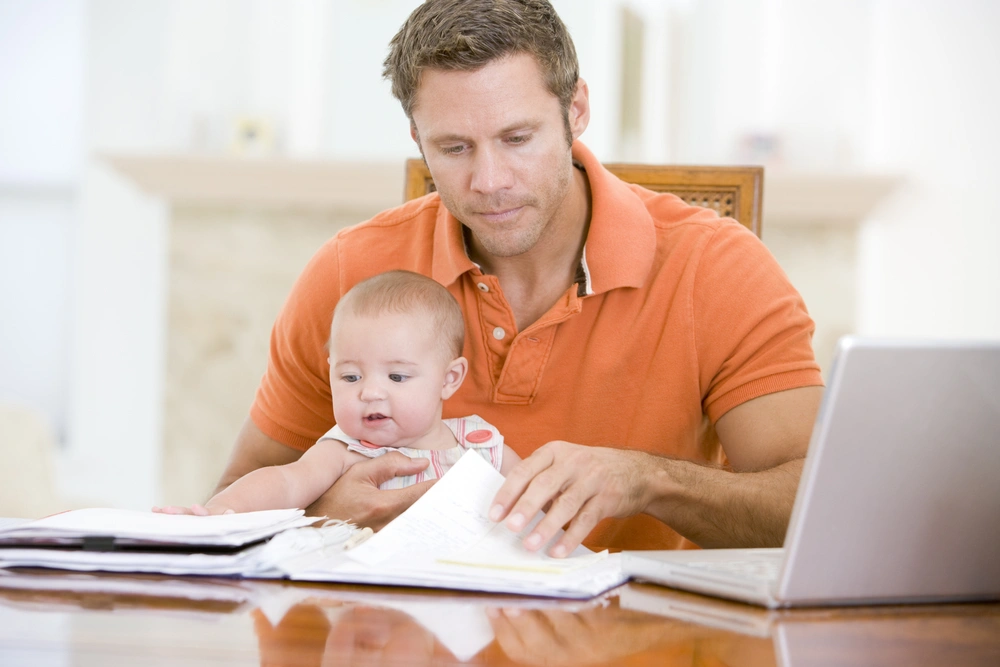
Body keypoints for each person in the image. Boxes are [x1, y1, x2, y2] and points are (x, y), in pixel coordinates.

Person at [211, 0, 824, 555]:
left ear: (575, 109)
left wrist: (647, 480)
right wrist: (325, 515)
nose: (490, 181)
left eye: (518, 137)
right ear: (416, 138)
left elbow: (816, 506)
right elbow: (232, 499)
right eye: (454, 148)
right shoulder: (351, 272)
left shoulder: (715, 268)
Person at [156, 271, 519, 515]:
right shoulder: (346, 451)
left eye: (396, 376)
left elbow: (535, 497)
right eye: (350, 377)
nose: (370, 392)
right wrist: (217, 515)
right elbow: (284, 482)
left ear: (448, 379)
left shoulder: (481, 445)